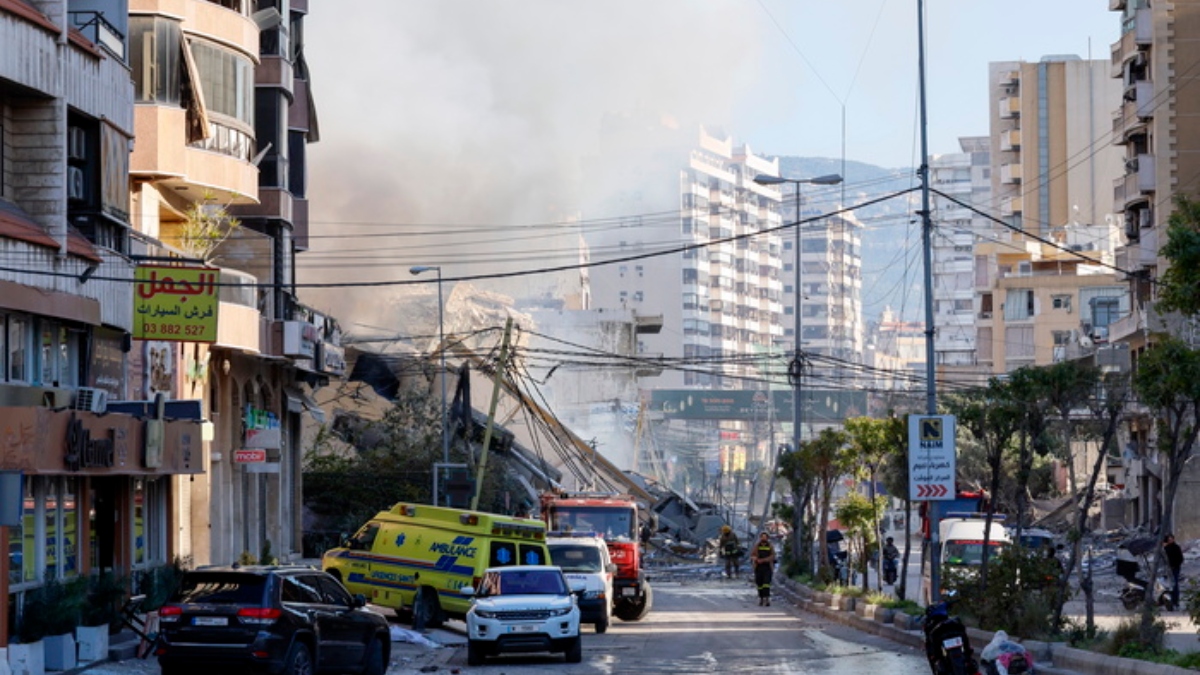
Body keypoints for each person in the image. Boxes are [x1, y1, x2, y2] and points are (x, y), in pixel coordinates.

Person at [752, 532, 776, 606]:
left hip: (767, 567)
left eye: (765, 537)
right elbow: (753, 555)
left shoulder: (770, 546)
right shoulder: (757, 546)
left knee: (766, 584)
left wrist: (764, 560)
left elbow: (773, 556)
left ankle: (767, 599)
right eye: (762, 537)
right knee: (759, 584)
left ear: (767, 538)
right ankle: (761, 598)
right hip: (758, 567)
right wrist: (756, 559)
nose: (763, 538)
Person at [1164, 534, 1184, 608]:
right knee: (1166, 585)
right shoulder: (1166, 548)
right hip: (1167, 569)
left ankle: (1175, 601)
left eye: (1171, 539)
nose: (1170, 540)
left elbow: (1180, 559)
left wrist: (1175, 565)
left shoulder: (1176, 547)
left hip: (1175, 568)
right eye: (1169, 539)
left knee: (1174, 585)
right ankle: (1169, 600)